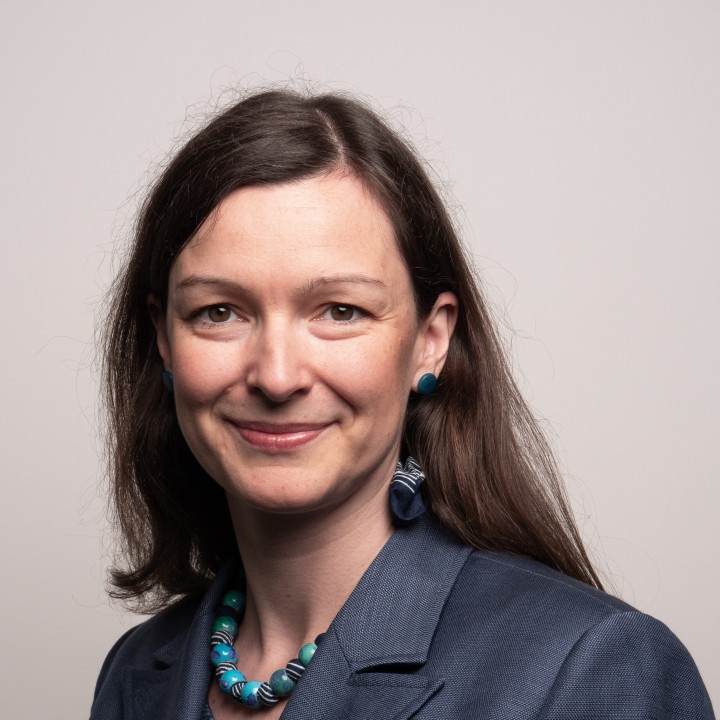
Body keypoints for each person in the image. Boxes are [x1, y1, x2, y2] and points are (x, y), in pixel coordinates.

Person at [91, 89, 714, 720]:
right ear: (164, 340)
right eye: (219, 312)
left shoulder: (593, 668)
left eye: (341, 311)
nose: (276, 377)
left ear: (430, 341)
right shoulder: (136, 673)